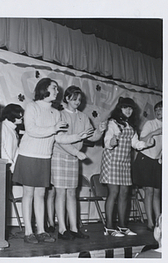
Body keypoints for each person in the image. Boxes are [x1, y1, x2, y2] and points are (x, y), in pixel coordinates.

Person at [12, 78, 94, 244]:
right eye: (54, 88)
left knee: (41, 194)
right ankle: (29, 232)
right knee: (28, 194)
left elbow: (59, 137)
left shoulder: (56, 113)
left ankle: (41, 231)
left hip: (45, 156)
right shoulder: (32, 106)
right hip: (28, 154)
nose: (58, 91)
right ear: (44, 89)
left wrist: (77, 137)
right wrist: (54, 128)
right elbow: (31, 130)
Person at [50, 86, 107, 240]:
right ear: (67, 98)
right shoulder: (60, 115)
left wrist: (100, 131)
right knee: (61, 192)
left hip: (75, 157)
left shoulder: (83, 117)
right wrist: (76, 152)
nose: (77, 102)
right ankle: (62, 229)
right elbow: (60, 140)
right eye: (74, 99)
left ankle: (74, 228)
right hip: (60, 156)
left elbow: (92, 137)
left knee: (72, 194)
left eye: (80, 99)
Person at [100, 97, 154, 237]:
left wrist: (146, 144)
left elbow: (135, 144)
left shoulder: (131, 126)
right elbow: (107, 142)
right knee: (114, 193)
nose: (128, 110)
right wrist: (112, 141)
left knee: (125, 194)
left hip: (124, 163)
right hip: (112, 161)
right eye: (125, 107)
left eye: (130, 108)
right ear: (119, 108)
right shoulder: (112, 123)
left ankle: (123, 226)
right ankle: (109, 227)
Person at [133, 101, 162, 231]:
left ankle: (158, 221)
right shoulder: (150, 123)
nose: (158, 112)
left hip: (157, 161)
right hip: (145, 158)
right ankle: (149, 221)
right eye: (157, 110)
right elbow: (142, 140)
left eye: (161, 109)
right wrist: (155, 132)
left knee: (157, 192)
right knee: (149, 191)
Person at [0, 103, 24, 173]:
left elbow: (16, 149)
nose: (22, 117)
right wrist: (9, 163)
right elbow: (1, 148)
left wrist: (14, 165)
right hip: (4, 166)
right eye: (19, 115)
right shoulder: (2, 127)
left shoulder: (13, 130)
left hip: (10, 167)